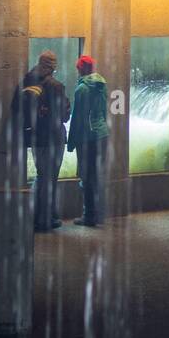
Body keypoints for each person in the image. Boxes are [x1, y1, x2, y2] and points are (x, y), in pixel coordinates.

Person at [21, 50, 71, 232]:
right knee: (50, 178)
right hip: (52, 138)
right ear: (52, 66)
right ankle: (45, 219)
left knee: (42, 176)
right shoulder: (55, 86)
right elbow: (63, 116)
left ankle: (37, 215)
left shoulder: (28, 80)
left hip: (35, 137)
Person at [66, 55, 109, 227]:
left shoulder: (82, 90)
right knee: (97, 176)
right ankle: (99, 214)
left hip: (88, 138)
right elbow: (104, 111)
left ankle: (89, 216)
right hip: (102, 135)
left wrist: (71, 143)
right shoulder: (101, 86)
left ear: (81, 69)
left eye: (77, 69)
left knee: (87, 177)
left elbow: (77, 118)